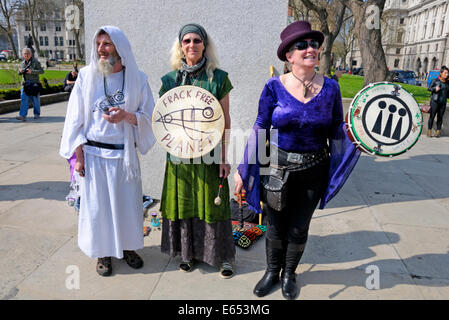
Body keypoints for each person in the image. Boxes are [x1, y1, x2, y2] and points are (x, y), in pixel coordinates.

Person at [234, 20, 360, 299]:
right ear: (289, 55)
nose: (310, 49)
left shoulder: (331, 88)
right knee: (275, 225)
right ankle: (271, 272)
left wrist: (357, 138)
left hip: (314, 168)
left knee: (299, 226)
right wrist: (244, 169)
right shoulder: (273, 87)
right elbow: (260, 126)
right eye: (301, 45)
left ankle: (289, 273)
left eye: (314, 44)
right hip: (277, 168)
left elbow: (337, 128)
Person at [59, 26, 156, 276]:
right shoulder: (86, 76)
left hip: (124, 156)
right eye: (99, 43)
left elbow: (150, 117)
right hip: (93, 156)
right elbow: (74, 119)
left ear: (119, 48)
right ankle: (103, 252)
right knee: (98, 208)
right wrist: (77, 157)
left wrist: (127, 116)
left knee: (128, 206)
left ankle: (128, 248)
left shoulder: (138, 78)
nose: (101, 49)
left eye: (107, 44)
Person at [158, 23, 235, 279]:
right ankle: (188, 254)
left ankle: (222, 257)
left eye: (197, 40)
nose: (191, 45)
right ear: (181, 46)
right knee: (186, 204)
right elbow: (163, 119)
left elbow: (225, 119)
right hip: (180, 156)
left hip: (210, 154)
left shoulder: (219, 78)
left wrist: (224, 157)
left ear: (205, 45)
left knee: (214, 205)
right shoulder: (169, 81)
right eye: (187, 41)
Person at [16, 48, 44, 121]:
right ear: (22, 55)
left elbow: (41, 71)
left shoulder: (35, 62)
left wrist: (32, 71)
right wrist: (20, 72)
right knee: (24, 99)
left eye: (28, 53)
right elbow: (18, 73)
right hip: (25, 84)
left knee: (35, 100)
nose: (26, 55)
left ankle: (37, 114)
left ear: (31, 54)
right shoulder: (22, 63)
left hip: (34, 84)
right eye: (25, 53)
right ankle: (22, 115)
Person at [427, 66, 449, 138]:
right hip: (435, 102)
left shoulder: (447, 83)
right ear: (441, 73)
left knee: (440, 117)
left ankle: (438, 131)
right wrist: (434, 88)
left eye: (447, 73)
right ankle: (429, 131)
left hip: (443, 103)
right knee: (432, 116)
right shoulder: (435, 80)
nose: (447, 74)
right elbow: (429, 88)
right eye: (445, 73)